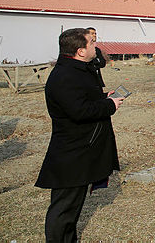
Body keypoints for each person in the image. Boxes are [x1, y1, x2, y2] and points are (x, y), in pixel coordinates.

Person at [36, 28, 123, 242]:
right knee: (63, 209)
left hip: (80, 150)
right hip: (71, 154)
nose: (96, 47)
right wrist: (109, 106)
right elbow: (80, 111)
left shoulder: (76, 70)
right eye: (91, 44)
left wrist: (104, 97)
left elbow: (80, 98)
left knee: (72, 208)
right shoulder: (66, 76)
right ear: (80, 51)